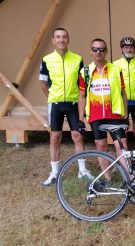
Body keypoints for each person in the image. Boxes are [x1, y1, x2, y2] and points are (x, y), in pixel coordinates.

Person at [39, 27, 89, 187]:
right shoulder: (47, 59)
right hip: (55, 103)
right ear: (53, 40)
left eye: (64, 37)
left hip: (74, 103)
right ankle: (54, 172)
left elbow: (82, 84)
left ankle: (82, 170)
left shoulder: (78, 58)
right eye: (58, 37)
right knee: (55, 138)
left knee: (78, 136)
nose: (61, 40)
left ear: (68, 39)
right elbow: (43, 83)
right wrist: (52, 98)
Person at [78, 38, 128, 182]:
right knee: (101, 146)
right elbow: (81, 96)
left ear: (106, 51)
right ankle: (108, 177)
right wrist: (80, 119)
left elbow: (123, 93)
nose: (98, 52)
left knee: (121, 145)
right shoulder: (85, 71)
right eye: (95, 49)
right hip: (95, 114)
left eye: (101, 49)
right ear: (91, 51)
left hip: (114, 113)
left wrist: (125, 113)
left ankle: (126, 178)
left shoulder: (116, 69)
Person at [113, 37, 135, 150]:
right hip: (122, 103)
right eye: (126, 47)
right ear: (122, 49)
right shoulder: (115, 64)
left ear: (134, 49)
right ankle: (124, 158)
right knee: (123, 131)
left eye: (131, 47)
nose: (129, 49)